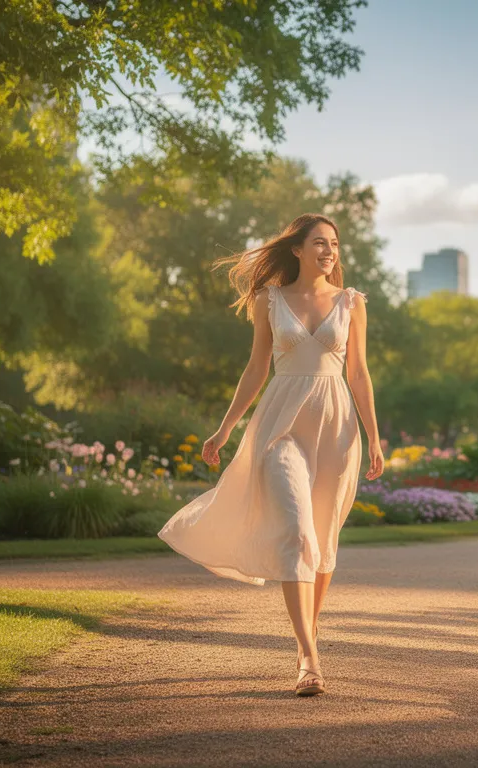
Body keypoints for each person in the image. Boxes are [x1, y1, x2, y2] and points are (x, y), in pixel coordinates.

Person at [157, 213, 384, 697]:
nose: (329, 250)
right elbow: (256, 369)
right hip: (280, 425)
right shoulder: (269, 300)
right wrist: (224, 429)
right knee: (296, 530)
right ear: (297, 249)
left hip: (336, 428)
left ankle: (307, 637)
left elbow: (359, 374)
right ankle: (309, 657)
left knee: (321, 542)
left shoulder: (351, 303)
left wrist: (376, 438)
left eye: (334, 244)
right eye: (319, 242)